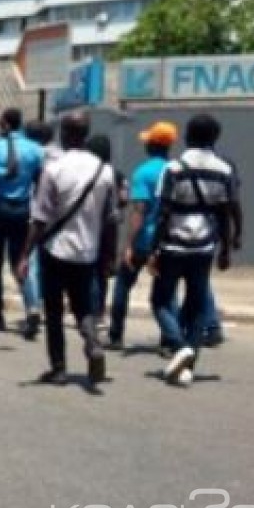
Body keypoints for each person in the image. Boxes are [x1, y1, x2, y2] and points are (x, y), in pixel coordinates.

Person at [17, 111, 118, 386]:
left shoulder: (54, 169)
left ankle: (59, 368)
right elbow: (111, 220)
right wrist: (109, 256)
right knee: (83, 305)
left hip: (55, 250)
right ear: (84, 135)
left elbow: (39, 219)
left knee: (53, 311)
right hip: (88, 252)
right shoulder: (104, 170)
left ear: (64, 134)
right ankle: (91, 341)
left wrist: (24, 255)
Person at [149, 114, 238, 386]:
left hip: (173, 245)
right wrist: (227, 247)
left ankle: (179, 347)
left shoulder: (174, 168)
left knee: (161, 300)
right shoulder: (224, 170)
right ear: (215, 138)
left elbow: (162, 212)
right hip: (204, 247)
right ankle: (189, 363)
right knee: (197, 304)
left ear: (187, 136)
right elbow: (227, 212)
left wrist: (153, 247)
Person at [106, 122, 179, 352]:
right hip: (169, 240)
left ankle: (116, 335)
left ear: (152, 145)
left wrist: (128, 244)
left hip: (144, 241)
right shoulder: (177, 170)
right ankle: (169, 339)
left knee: (123, 285)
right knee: (167, 292)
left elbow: (139, 210)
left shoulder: (144, 172)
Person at [0, 108, 44, 336]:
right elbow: (40, 181)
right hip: (22, 210)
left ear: (6, 124)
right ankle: (31, 307)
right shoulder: (36, 151)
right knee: (21, 261)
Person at [86, 134, 129, 327]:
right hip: (110, 228)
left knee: (90, 270)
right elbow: (124, 199)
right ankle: (100, 312)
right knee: (103, 270)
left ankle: (91, 311)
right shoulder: (117, 174)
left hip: (89, 225)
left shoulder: (86, 172)